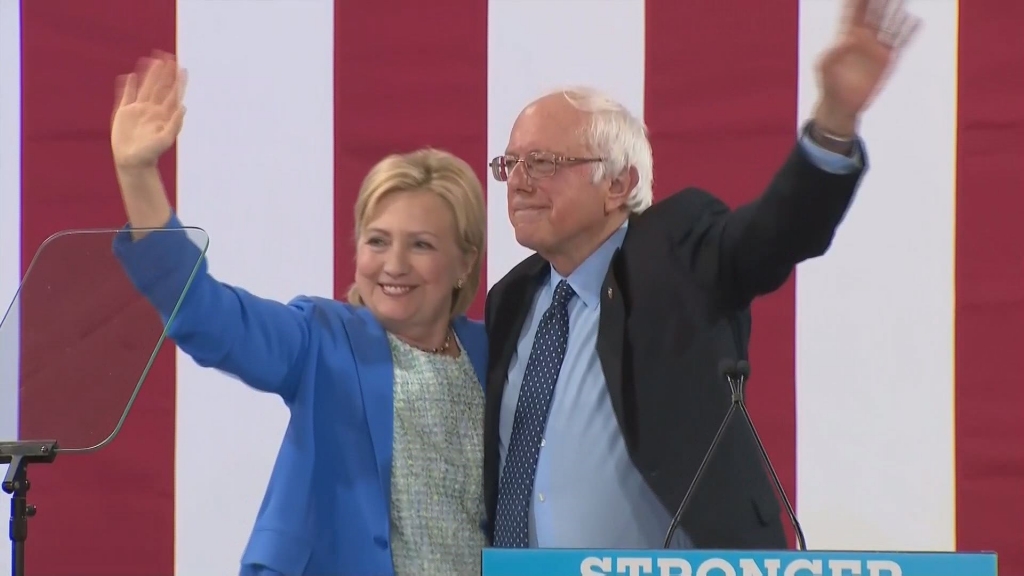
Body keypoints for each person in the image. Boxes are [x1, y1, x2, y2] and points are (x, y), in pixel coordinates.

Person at [482, 0, 920, 551]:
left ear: (619, 184)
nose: (518, 182)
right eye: (509, 164)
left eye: (543, 162)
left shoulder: (675, 252)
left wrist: (833, 122)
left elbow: (775, 234)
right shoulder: (510, 299)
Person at [109, 52, 489, 575]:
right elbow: (210, 316)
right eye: (376, 241)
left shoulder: (498, 354)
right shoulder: (322, 338)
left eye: (421, 244)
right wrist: (138, 175)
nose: (393, 264)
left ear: (465, 262)